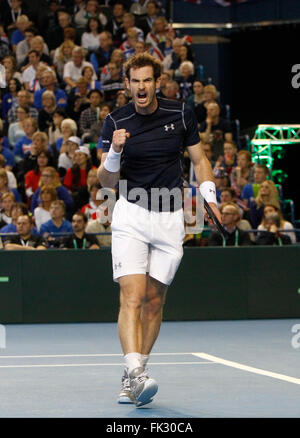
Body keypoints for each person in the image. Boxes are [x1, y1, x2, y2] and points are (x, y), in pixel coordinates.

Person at [97, 53, 221, 407]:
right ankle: (135, 373)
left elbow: (199, 159)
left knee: (154, 302)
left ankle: (135, 373)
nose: (141, 87)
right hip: (131, 216)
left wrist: (209, 192)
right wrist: (115, 153)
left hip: (170, 220)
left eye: (147, 80)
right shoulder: (114, 121)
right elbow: (104, 181)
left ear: (157, 82)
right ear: (127, 85)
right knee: (132, 297)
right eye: (135, 81)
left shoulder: (181, 113)